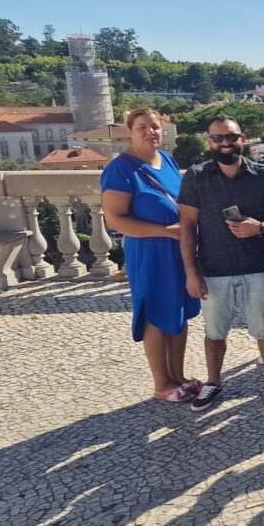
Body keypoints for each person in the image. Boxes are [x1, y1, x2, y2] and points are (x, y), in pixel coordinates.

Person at [179, 116, 264, 412]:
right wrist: (191, 272)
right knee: (215, 332)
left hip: (256, 266)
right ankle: (213, 382)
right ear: (210, 142)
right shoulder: (196, 176)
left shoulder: (263, 174)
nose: (225, 142)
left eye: (231, 136)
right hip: (213, 269)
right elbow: (187, 226)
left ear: (242, 139)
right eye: (218, 138)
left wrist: (261, 227)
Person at [101, 107, 202, 403]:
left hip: (179, 248)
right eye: (142, 127)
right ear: (129, 132)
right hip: (149, 251)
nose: (150, 132)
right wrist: (165, 231)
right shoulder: (120, 169)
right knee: (156, 313)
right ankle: (162, 383)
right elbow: (115, 220)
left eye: (155, 127)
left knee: (178, 310)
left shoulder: (167, 160)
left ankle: (178, 376)